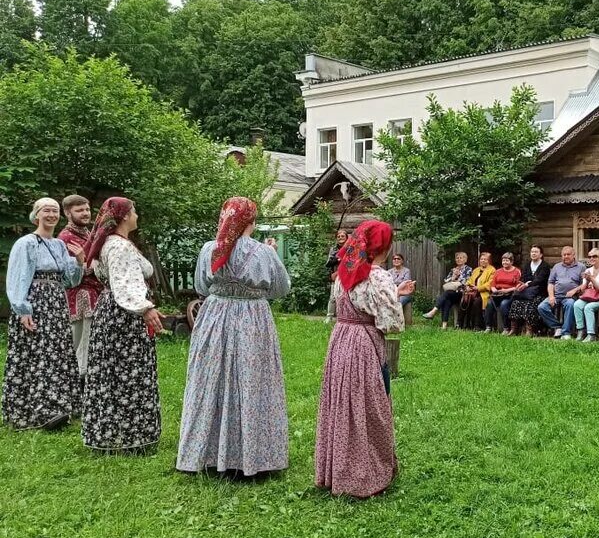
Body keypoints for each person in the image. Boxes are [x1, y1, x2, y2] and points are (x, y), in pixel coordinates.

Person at [176, 197, 292, 478]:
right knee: (252, 380)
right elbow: (281, 289)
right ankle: (251, 456)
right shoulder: (264, 252)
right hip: (252, 319)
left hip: (215, 317)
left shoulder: (209, 249)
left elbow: (201, 285)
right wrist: (271, 256)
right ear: (251, 221)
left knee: (210, 380)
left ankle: (207, 453)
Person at [315, 220, 414, 497]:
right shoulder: (378, 275)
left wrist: (395, 292)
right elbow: (391, 321)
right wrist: (394, 298)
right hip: (363, 345)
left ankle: (337, 470)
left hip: (341, 339)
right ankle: (363, 473)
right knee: (369, 405)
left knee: (342, 404)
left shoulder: (344, 273)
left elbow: (356, 301)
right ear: (383, 245)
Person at [81, 197, 164, 453]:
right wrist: (145, 308)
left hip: (111, 310)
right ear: (125, 216)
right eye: (134, 211)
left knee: (112, 369)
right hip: (123, 315)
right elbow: (124, 283)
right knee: (127, 371)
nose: (137, 215)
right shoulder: (118, 246)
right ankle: (128, 435)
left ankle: (113, 431)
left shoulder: (112, 243)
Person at [2, 198, 84, 431]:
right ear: (36, 214)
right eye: (46, 210)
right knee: (37, 354)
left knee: (57, 353)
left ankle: (59, 407)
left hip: (56, 304)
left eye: (55, 211)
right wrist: (22, 309)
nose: (51, 215)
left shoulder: (59, 245)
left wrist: (79, 261)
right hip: (35, 304)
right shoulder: (26, 243)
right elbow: (18, 276)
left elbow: (70, 281)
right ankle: (34, 411)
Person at [58, 195, 104, 383]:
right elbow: (70, 272)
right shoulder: (66, 237)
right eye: (79, 210)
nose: (85, 213)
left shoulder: (87, 233)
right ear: (68, 213)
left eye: (87, 209)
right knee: (80, 346)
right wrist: (93, 267)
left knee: (91, 343)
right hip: (79, 296)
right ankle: (76, 389)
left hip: (96, 293)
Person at [538, 246, 585, 337]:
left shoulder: (581, 267)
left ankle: (566, 332)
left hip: (570, 297)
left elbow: (584, 284)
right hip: (557, 296)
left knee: (570, 304)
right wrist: (551, 296)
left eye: (568, 254)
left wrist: (574, 290)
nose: (566, 256)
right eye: (564, 255)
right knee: (542, 307)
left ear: (573, 255)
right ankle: (558, 327)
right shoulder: (557, 266)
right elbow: (551, 283)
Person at [507, 245, 550, 336]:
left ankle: (529, 329)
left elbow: (540, 280)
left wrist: (527, 284)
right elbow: (523, 277)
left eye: (536, 252)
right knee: (516, 303)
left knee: (530, 304)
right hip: (526, 292)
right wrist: (521, 284)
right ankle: (514, 328)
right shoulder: (527, 265)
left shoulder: (544, 266)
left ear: (541, 254)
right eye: (532, 252)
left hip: (540, 293)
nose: (533, 253)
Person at [571, 248, 599, 342]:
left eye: (595, 256)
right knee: (577, 304)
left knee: (588, 307)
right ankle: (581, 331)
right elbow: (582, 289)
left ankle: (591, 334)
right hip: (589, 296)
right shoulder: (588, 270)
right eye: (590, 256)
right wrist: (586, 280)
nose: (592, 258)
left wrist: (592, 279)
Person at [422, 252, 471, 329]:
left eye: (461, 258)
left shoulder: (468, 269)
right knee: (446, 299)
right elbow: (446, 282)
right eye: (457, 258)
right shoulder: (453, 270)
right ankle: (444, 325)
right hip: (452, 293)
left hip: (462, 293)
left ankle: (433, 311)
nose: (458, 259)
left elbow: (466, 282)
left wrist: (459, 277)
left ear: (465, 259)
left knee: (447, 294)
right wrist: (453, 277)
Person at [485, 252, 522, 333]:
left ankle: (506, 328)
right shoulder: (498, 271)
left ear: (511, 262)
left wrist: (507, 290)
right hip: (497, 294)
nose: (505, 262)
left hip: (509, 294)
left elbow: (518, 286)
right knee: (489, 304)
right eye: (503, 260)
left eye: (507, 260)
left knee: (503, 304)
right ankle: (488, 327)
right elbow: (492, 284)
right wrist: (494, 289)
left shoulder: (517, 271)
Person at [462, 252, 496, 330]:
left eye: (485, 259)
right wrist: (467, 286)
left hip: (484, 293)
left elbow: (489, 283)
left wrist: (478, 288)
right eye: (481, 259)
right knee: (465, 301)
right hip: (473, 292)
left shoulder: (492, 270)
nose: (483, 261)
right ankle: (461, 324)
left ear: (489, 261)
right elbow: (470, 280)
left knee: (477, 302)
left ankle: (477, 326)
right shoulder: (476, 270)